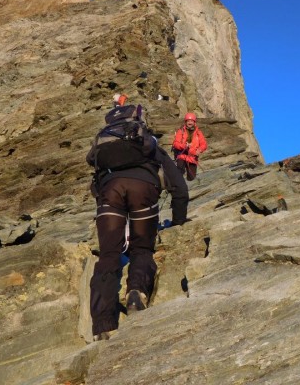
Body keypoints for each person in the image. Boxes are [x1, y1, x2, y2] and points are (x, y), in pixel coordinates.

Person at [86, 94, 189, 341]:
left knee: (109, 255)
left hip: (110, 192)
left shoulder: (105, 145)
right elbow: (180, 189)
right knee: (142, 248)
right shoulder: (150, 145)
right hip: (144, 189)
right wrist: (178, 223)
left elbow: (94, 177)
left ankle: (103, 325)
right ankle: (136, 291)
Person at [172, 112, 208, 181]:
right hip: (182, 156)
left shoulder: (198, 133)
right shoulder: (180, 131)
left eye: (191, 121)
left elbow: (204, 144)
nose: (190, 122)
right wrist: (184, 146)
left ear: (194, 122)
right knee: (179, 175)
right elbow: (176, 144)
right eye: (188, 121)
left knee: (192, 178)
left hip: (193, 157)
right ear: (185, 122)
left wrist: (200, 150)